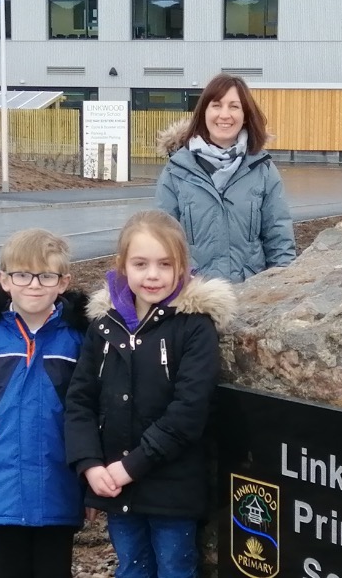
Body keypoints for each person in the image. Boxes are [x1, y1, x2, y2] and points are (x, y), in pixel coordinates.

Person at [65, 209, 236, 578]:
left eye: (165, 263)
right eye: (141, 263)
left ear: (182, 267)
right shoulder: (103, 327)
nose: (153, 275)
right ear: (122, 266)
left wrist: (131, 467)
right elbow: (80, 400)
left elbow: (188, 411)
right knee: (131, 568)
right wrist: (89, 464)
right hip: (115, 487)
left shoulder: (193, 327)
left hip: (171, 488)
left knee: (175, 568)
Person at [0, 228, 90, 578]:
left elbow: (94, 414)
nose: (34, 285)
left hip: (60, 489)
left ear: (63, 282)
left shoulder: (79, 340)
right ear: (4, 280)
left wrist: (91, 488)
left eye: (46, 276)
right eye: (22, 275)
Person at [155, 73, 296, 283]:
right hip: (194, 301)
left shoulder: (263, 170)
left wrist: (284, 290)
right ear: (204, 112)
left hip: (251, 297)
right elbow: (160, 243)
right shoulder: (176, 171)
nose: (224, 114)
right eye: (216, 105)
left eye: (234, 106)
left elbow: (280, 241)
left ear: (245, 115)